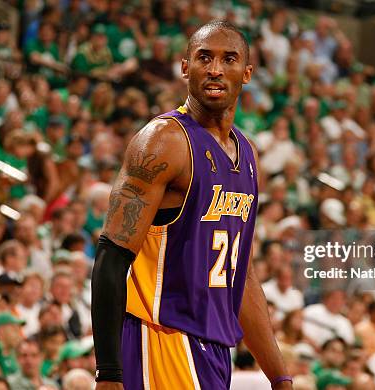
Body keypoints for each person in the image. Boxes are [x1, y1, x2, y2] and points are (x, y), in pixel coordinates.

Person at [92, 21, 291, 390]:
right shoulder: (163, 140)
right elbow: (111, 255)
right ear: (186, 67)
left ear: (246, 73)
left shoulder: (247, 154)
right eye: (204, 58)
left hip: (214, 349)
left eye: (228, 59)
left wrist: (279, 376)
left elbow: (241, 276)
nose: (215, 69)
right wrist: (109, 372)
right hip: (161, 336)